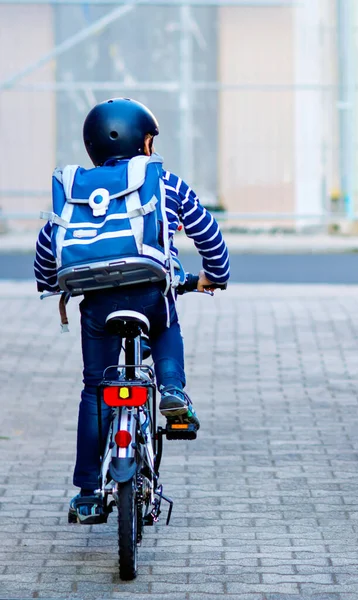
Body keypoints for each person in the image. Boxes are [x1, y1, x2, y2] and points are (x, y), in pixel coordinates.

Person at [34, 98, 230, 521]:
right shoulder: (166, 183)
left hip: (97, 306)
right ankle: (174, 390)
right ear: (144, 142)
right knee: (166, 324)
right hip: (150, 296)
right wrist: (215, 273)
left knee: (94, 390)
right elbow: (207, 231)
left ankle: (88, 491)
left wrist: (51, 284)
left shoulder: (77, 190)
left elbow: (47, 245)